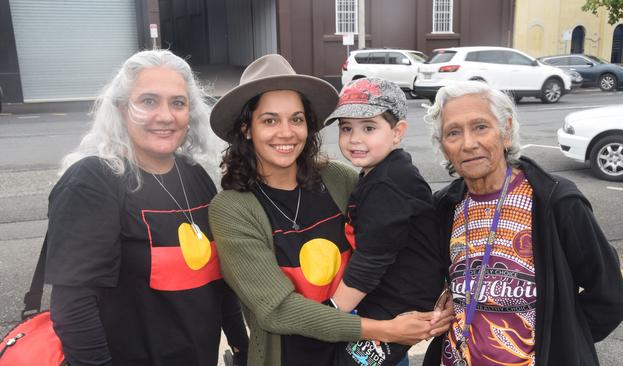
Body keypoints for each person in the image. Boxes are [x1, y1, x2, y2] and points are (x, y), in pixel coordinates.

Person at [208, 54, 452, 366]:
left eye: (296, 119)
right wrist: (386, 330)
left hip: (373, 350)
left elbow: (403, 232)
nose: (286, 132)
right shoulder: (232, 209)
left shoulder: (339, 179)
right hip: (298, 354)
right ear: (246, 129)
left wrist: (441, 293)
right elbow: (276, 310)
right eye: (269, 120)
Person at [44, 49, 248, 366]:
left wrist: (241, 347)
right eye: (149, 101)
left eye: (178, 103)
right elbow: (73, 306)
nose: (166, 116)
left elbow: (217, 283)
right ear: (123, 109)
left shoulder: (194, 177)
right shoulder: (92, 182)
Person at [422, 80, 623, 365]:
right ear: (444, 147)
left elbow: (610, 296)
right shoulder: (445, 205)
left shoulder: (556, 200)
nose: (469, 144)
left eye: (481, 127)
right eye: (453, 132)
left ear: (506, 132)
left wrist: (563, 343)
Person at [322, 77, 448, 365]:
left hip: (401, 307)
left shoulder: (388, 183)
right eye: (346, 129)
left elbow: (370, 262)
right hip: (388, 296)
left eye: (369, 128)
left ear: (397, 132)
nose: (355, 138)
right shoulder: (380, 172)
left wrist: (330, 314)